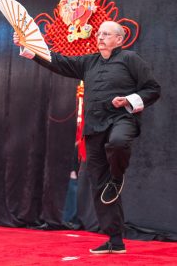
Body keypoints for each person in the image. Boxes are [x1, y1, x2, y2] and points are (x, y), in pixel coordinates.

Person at [13, 21, 161, 254]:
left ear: (119, 39)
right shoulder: (88, 61)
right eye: (99, 33)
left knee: (119, 142)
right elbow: (59, 62)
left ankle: (118, 175)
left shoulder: (131, 59)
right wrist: (30, 48)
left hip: (122, 119)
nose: (100, 37)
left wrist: (128, 100)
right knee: (100, 185)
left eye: (106, 34)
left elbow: (153, 89)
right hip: (94, 128)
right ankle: (115, 241)